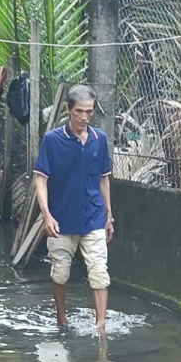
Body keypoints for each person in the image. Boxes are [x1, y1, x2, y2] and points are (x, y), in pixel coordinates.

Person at [33, 85, 114, 333]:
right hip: (61, 219)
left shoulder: (99, 140)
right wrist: (46, 215)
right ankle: (61, 319)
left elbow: (103, 179)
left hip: (93, 217)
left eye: (89, 112)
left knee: (99, 273)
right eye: (79, 111)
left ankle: (100, 327)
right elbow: (40, 179)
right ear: (68, 110)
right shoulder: (53, 140)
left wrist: (109, 216)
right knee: (60, 273)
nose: (84, 117)